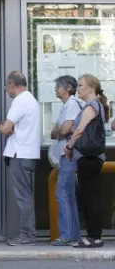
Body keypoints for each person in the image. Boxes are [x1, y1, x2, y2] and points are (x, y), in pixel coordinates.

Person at [64, 74, 108, 248]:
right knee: (91, 196)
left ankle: (94, 236)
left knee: (90, 197)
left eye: (81, 85)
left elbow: (80, 130)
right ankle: (93, 235)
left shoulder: (91, 107)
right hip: (91, 157)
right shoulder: (95, 105)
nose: (78, 88)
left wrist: (69, 146)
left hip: (88, 157)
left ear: (92, 88)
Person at [0, 71, 41, 246]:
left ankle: (27, 235)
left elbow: (6, 129)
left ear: (12, 85)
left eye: (6, 86)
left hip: (20, 154)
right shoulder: (31, 100)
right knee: (26, 195)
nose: (6, 90)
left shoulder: (20, 101)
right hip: (28, 153)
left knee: (23, 196)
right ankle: (27, 233)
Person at [50, 75, 82, 246]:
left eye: (58, 86)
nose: (56, 89)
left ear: (67, 88)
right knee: (68, 195)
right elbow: (55, 131)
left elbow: (63, 131)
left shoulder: (72, 105)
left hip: (68, 154)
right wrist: (58, 131)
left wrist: (59, 131)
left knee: (61, 193)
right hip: (64, 155)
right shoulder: (64, 107)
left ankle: (66, 235)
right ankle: (73, 234)